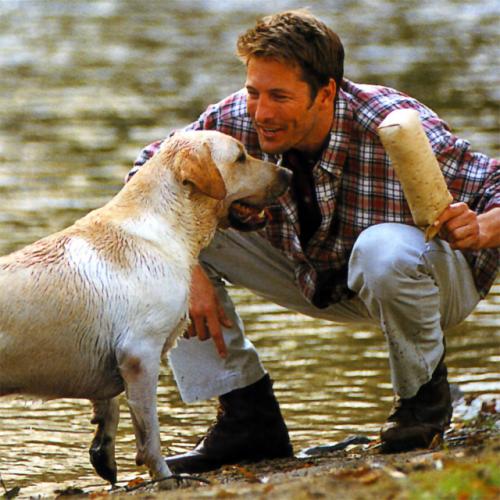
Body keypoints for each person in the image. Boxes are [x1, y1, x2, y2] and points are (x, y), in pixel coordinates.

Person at [128, 10, 499, 473]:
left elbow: (495, 185)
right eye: (254, 92)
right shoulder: (234, 121)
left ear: (326, 93)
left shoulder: (391, 123)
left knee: (381, 249)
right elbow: (146, 179)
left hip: (426, 281)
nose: (261, 112)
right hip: (315, 276)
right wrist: (185, 271)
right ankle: (248, 420)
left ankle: (421, 404)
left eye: (279, 96)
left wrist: (483, 227)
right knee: (169, 231)